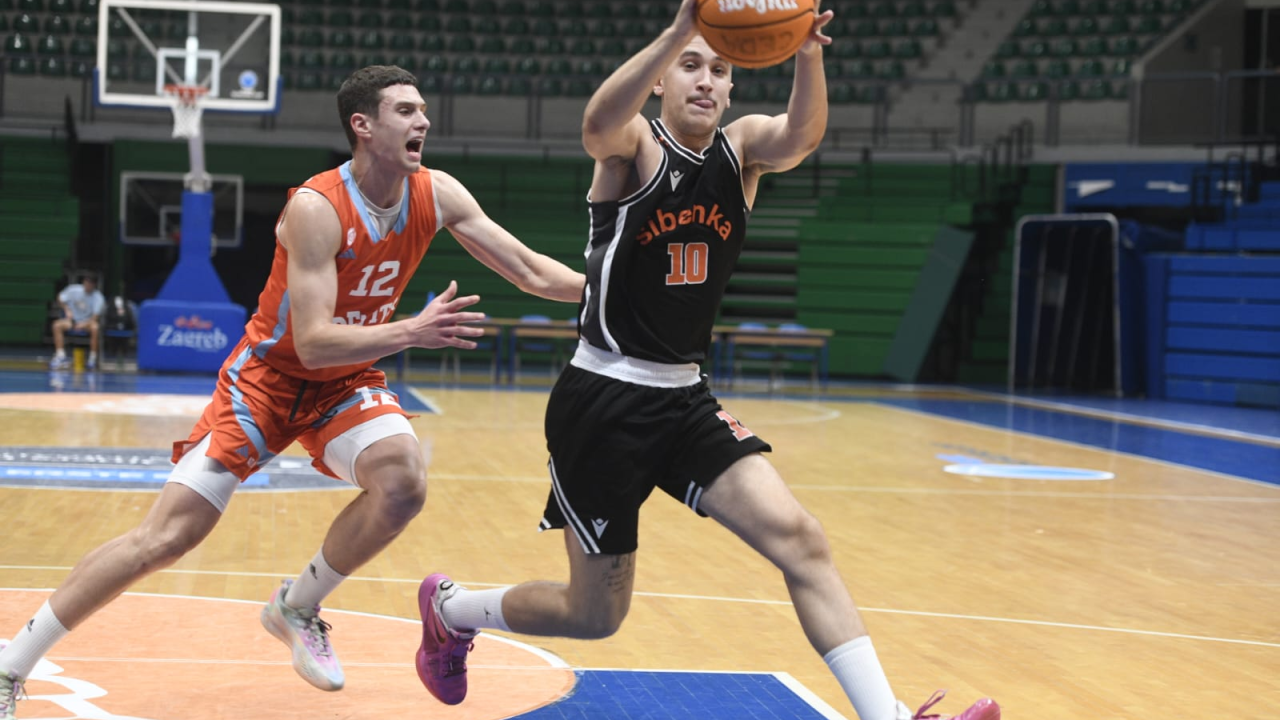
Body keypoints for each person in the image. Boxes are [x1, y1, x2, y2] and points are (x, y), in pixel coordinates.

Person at [414, 5, 1000, 720]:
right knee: (595, 614)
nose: (706, 82)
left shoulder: (741, 148)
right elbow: (596, 123)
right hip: (603, 398)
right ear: (662, 79)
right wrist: (674, 32)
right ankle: (453, 608)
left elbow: (800, 138)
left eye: (719, 70)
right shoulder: (634, 147)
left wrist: (808, 56)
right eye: (690, 67)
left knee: (802, 540)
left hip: (685, 399)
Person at [0, 64, 584, 719]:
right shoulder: (316, 208)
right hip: (268, 382)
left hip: (345, 384)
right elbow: (311, 342)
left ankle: (298, 604)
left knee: (403, 480)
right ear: (363, 126)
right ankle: (11, 666)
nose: (422, 121)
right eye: (405, 110)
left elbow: (531, 269)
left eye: (423, 109)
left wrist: (608, 290)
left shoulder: (437, 193)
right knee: (165, 540)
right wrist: (411, 330)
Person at [49, 273, 105, 370]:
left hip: (87, 323)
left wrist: (83, 324)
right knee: (56, 325)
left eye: (90, 284)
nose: (88, 285)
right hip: (72, 321)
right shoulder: (73, 289)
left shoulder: (98, 297)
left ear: (94, 285)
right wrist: (66, 309)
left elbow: (95, 317)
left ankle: (92, 359)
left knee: (95, 327)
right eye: (86, 282)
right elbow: (60, 297)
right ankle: (60, 356)